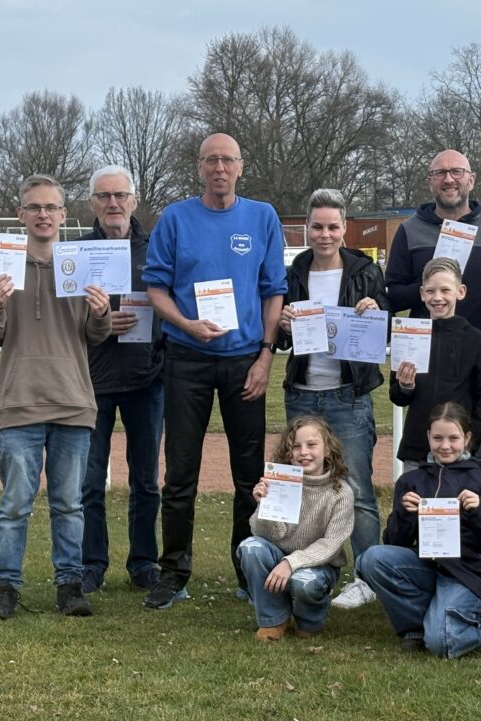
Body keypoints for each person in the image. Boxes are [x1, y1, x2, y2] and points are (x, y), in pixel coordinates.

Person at [142, 133, 287, 609]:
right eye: (210, 161)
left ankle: (248, 570)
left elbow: (273, 291)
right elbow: (156, 290)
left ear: (240, 167)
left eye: (227, 160)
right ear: (199, 168)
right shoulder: (176, 218)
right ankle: (173, 572)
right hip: (186, 359)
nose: (219, 168)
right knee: (181, 474)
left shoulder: (262, 216)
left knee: (249, 476)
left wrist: (265, 355)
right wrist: (185, 323)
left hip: (246, 361)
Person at [0, 174, 111, 619]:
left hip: (73, 401)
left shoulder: (81, 265)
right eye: (34, 207)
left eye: (51, 207)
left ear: (63, 215)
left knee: (69, 504)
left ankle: (69, 586)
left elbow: (94, 336)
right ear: (21, 215)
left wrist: (101, 313)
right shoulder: (2, 266)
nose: (43, 215)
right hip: (20, 401)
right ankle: (5, 587)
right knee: (15, 504)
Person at [277, 188, 389, 610]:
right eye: (317, 226)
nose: (325, 234)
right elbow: (278, 337)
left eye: (333, 226)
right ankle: (297, 568)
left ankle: (368, 576)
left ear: (345, 228)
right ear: (306, 228)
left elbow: (385, 327)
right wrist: (283, 325)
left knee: (357, 489)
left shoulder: (364, 270)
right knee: (300, 489)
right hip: (302, 395)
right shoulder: (294, 271)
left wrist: (374, 308)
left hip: (348, 396)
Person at [384, 149, 481, 475]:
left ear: (471, 179)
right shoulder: (410, 230)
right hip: (425, 356)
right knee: (422, 458)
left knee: (478, 456)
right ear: (430, 181)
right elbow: (393, 293)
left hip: (480, 356)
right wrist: (435, 285)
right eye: (440, 173)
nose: (449, 179)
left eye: (456, 172)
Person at [356, 402, 481, 658]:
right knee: (371, 559)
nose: (445, 445)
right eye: (437, 438)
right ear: (428, 437)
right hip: (427, 566)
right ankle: (415, 627)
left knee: (441, 644)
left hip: (467, 574)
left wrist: (479, 510)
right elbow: (394, 542)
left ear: (468, 438)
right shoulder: (410, 481)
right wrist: (405, 514)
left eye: (453, 438)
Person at [78, 165, 164, 594]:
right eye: (104, 197)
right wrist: (95, 323)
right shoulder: (74, 254)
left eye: (120, 196)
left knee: (146, 480)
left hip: (147, 381)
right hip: (90, 383)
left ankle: (144, 562)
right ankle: (91, 563)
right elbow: (61, 319)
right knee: (90, 481)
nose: (113, 204)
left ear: (133, 200)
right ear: (93, 204)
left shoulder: (156, 249)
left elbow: (172, 306)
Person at [237, 416, 355, 641]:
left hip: (319, 565)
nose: (304, 452)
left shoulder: (341, 493)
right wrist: (264, 505)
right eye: (296, 446)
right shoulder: (279, 482)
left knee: (304, 582)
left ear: (328, 449)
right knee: (251, 548)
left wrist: (291, 563)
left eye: (311, 445)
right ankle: (274, 619)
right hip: (280, 555)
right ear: (288, 453)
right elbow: (265, 534)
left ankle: (308, 621)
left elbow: (330, 545)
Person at [389, 257, 481, 475]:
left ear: (461, 291)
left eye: (445, 290)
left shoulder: (477, 340)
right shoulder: (409, 337)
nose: (437, 298)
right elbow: (397, 397)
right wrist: (405, 386)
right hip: (417, 447)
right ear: (421, 294)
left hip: (458, 451)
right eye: (430, 291)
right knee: (414, 507)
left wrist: (469, 439)